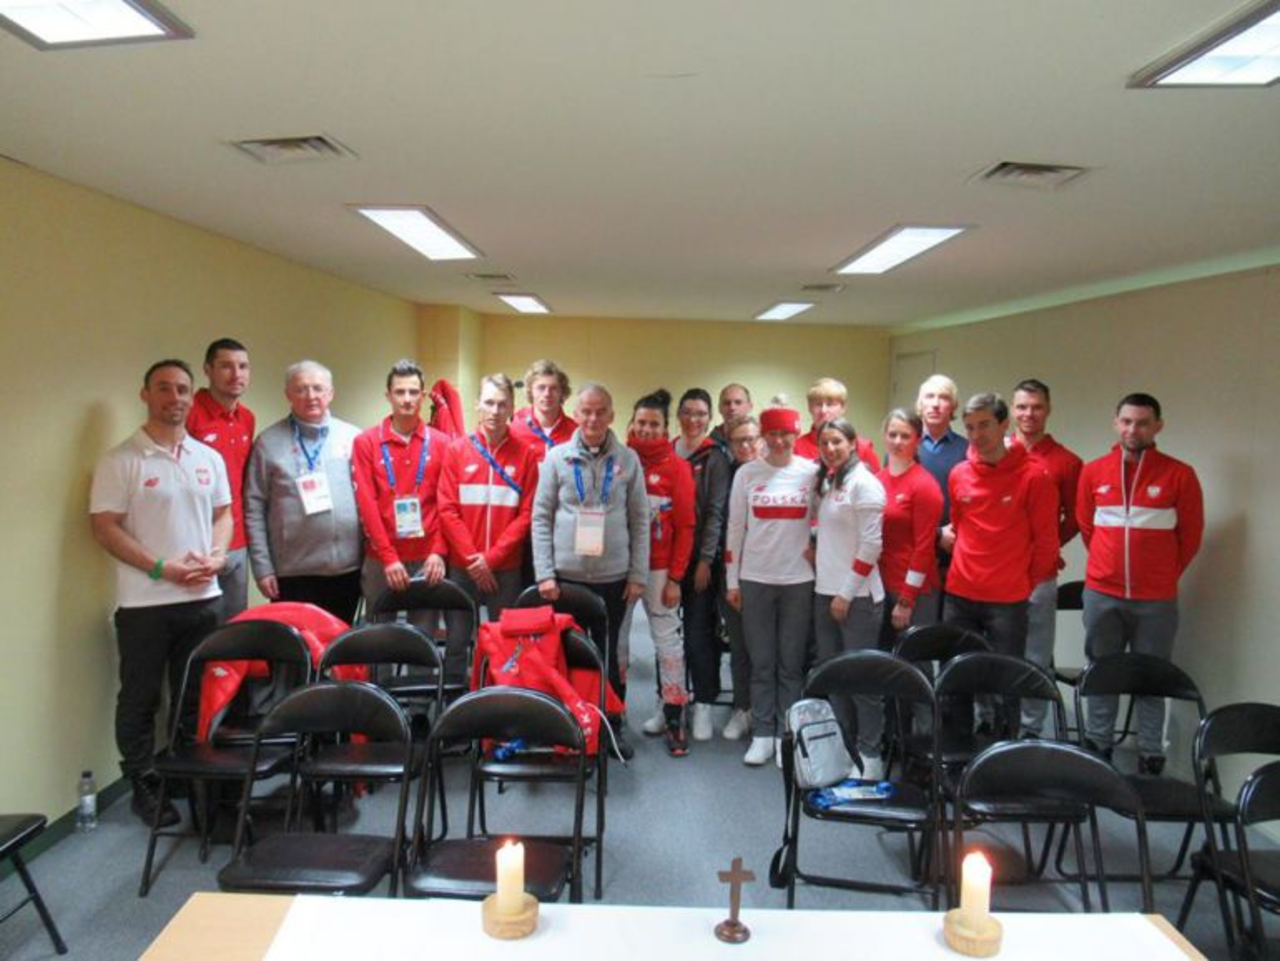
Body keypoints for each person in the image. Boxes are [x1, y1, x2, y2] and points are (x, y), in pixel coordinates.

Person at [90, 359, 231, 826]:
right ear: (145, 394)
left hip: (203, 599)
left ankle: (186, 774)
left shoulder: (207, 457)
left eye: (183, 389)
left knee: (193, 696)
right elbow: (104, 527)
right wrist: (159, 567)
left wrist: (217, 555)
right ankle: (143, 782)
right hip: (145, 604)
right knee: (141, 698)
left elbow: (223, 514)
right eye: (164, 388)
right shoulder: (120, 460)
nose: (175, 398)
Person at [1077, 393, 1204, 773]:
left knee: (1153, 676)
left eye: (1143, 423)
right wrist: (1108, 568)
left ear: (1157, 426)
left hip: (1155, 600)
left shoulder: (1179, 475)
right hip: (1102, 593)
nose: (1134, 429)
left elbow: (1190, 537)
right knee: (1102, 670)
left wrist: (1159, 575)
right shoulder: (1093, 472)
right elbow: (1087, 528)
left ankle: (1151, 754)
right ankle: (1098, 746)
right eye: (1127, 421)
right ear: (1116, 423)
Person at [531, 382, 650, 755]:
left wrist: (638, 575)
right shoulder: (557, 458)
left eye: (601, 412)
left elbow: (640, 520)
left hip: (614, 578)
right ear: (576, 414)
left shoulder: (628, 460)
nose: (593, 419)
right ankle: (567, 725)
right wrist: (544, 574)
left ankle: (612, 725)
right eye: (586, 411)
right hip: (565, 578)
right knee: (566, 653)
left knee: (611, 654)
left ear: (612, 415)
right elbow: (541, 517)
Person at [940, 393, 1058, 735]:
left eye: (985, 425)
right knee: (956, 680)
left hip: (1007, 600)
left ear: (1004, 424)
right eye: (970, 427)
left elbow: (1046, 544)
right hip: (959, 594)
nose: (977, 435)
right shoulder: (959, 474)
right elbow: (959, 525)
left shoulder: (1034, 477)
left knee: (1005, 683)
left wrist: (1023, 583)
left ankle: (1003, 755)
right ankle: (956, 753)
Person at [724, 406, 815, 766]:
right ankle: (762, 733)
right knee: (761, 662)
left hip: (798, 581)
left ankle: (785, 736)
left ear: (796, 435)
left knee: (790, 664)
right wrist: (732, 580)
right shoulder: (747, 474)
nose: (778, 441)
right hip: (755, 578)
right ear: (764, 435)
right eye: (772, 434)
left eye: (785, 434)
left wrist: (817, 547)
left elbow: (827, 520)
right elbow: (734, 530)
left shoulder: (811, 472)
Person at [245, 360, 363, 623]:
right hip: (292, 573)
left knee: (340, 643)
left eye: (318, 388)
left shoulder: (353, 438)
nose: (311, 396)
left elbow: (369, 502)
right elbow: (253, 509)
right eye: (301, 389)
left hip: (347, 571)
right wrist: (263, 568)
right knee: (296, 644)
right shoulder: (268, 443)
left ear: (330, 393)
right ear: (288, 394)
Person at [350, 358, 450, 646]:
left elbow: (446, 504)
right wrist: (389, 558)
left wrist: (438, 552)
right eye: (400, 392)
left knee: (423, 639)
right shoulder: (366, 442)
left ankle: (423, 680)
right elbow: (367, 504)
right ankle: (378, 679)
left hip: (427, 558)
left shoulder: (441, 443)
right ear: (388, 396)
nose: (407, 399)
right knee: (379, 640)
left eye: (414, 392)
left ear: (423, 395)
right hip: (382, 558)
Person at [1008, 379, 1083, 738]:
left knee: (1034, 655)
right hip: (994, 573)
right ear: (1012, 410)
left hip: (1039, 574)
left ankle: (1030, 730)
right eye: (1022, 406)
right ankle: (991, 720)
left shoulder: (1066, 462)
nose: (1029, 414)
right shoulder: (994, 453)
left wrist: (1046, 546)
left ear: (1048, 410)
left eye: (1036, 407)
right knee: (995, 651)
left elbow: (1077, 517)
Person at [812, 418, 886, 778]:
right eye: (824, 443)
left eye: (837, 442)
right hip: (825, 592)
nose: (830, 449)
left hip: (857, 597)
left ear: (853, 443)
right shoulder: (831, 481)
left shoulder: (865, 483)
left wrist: (846, 593)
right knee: (834, 678)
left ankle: (871, 756)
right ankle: (845, 749)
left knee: (860, 681)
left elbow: (871, 546)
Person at [624, 390, 696, 757]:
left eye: (654, 424)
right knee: (617, 643)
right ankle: (613, 715)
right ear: (631, 423)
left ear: (665, 428)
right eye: (641, 423)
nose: (647, 429)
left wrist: (675, 578)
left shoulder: (677, 467)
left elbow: (685, 527)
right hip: (620, 568)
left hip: (660, 570)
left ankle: (673, 715)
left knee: (668, 644)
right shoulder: (620, 460)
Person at [438, 373, 539, 633]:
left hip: (506, 567)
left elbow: (527, 514)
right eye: (489, 403)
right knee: (457, 640)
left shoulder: (526, 455)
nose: (495, 411)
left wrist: (491, 560)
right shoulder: (456, 450)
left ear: (512, 408)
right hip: (463, 565)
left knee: (503, 638)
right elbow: (447, 510)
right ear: (477, 404)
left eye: (502, 404)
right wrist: (474, 561)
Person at [672, 387, 732, 741]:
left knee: (698, 633)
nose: (693, 419)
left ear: (709, 419)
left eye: (701, 414)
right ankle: (670, 701)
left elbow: (715, 513)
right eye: (688, 412)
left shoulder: (715, 458)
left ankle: (704, 703)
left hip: (698, 561)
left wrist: (706, 560)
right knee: (668, 635)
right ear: (678, 415)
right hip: (667, 560)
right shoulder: (668, 452)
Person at [185, 338, 255, 619]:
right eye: (226, 366)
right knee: (200, 625)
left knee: (235, 625)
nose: (236, 374)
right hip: (197, 542)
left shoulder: (247, 418)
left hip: (237, 540)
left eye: (243, 366)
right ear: (208, 370)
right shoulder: (189, 413)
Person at [875, 409, 944, 646]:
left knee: (913, 657)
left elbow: (924, 547)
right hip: (880, 585)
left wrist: (907, 599)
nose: (897, 441)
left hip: (913, 590)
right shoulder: (877, 480)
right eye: (892, 434)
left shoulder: (924, 485)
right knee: (882, 658)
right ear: (884, 436)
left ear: (918, 440)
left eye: (905, 436)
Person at [718, 414, 762, 741]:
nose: (745, 446)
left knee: (771, 649)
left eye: (751, 439)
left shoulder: (777, 472)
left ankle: (768, 711)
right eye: (738, 441)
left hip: (773, 574)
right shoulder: (725, 475)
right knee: (741, 645)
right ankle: (743, 707)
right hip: (733, 573)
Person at [916, 374, 968, 616]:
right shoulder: (904, 446)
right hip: (913, 552)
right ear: (920, 403)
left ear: (953, 406)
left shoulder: (968, 449)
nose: (936, 404)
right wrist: (936, 534)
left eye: (944, 398)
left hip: (954, 553)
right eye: (930, 396)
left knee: (948, 626)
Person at [792, 377, 879, 469]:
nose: (823, 410)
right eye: (818, 404)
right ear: (809, 408)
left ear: (843, 407)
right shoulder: (796, 448)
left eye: (830, 404)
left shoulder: (862, 447)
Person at [510, 359, 577, 459]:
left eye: (553, 388)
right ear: (530, 391)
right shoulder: (515, 427)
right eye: (541, 388)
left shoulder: (575, 432)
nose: (547, 394)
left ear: (562, 392)